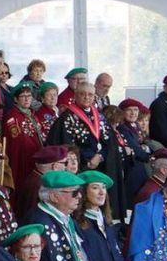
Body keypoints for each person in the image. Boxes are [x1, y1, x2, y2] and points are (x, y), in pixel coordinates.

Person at [47, 81, 124, 215]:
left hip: (101, 165)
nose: (86, 97)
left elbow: (109, 143)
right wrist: (88, 159)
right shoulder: (67, 117)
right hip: (82, 166)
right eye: (82, 94)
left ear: (94, 97)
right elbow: (67, 145)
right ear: (75, 96)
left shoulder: (99, 116)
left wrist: (100, 156)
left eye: (90, 94)